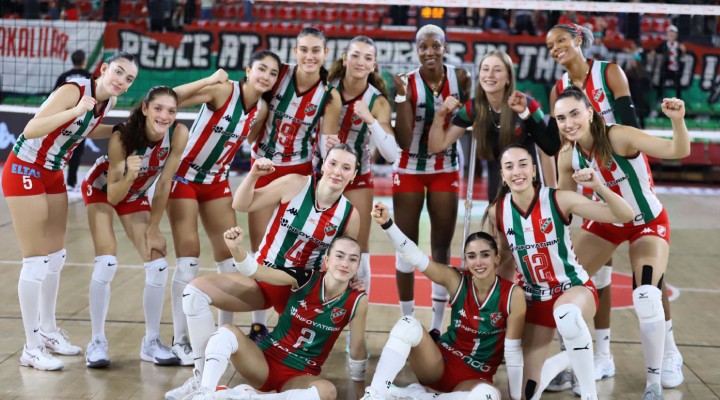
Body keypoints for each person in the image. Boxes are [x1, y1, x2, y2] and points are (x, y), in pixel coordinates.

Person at [165, 143, 360, 400]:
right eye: (333, 163)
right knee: (194, 294)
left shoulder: (349, 215)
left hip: (297, 292)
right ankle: (202, 381)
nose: (337, 171)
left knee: (295, 365)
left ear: (353, 175)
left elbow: (343, 260)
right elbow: (241, 203)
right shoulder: (295, 184)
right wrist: (254, 174)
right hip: (261, 276)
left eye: (346, 168)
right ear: (323, 164)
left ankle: (262, 388)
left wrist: (353, 283)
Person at [1, 51, 137, 371]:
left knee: (56, 257)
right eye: (118, 72)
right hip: (24, 168)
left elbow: (84, 129)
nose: (122, 81)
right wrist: (76, 109)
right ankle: (31, 347)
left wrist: (122, 130)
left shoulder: (109, 102)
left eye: (129, 78)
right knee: (35, 262)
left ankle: (48, 332)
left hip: (52, 173)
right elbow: (31, 129)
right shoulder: (73, 90)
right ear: (104, 68)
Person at [554, 87, 690, 397]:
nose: (569, 123)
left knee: (647, 294)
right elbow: (564, 208)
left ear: (590, 112)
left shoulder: (619, 136)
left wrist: (678, 120)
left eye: (574, 114)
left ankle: (658, 375)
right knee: (562, 289)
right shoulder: (567, 156)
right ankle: (581, 363)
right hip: (607, 223)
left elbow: (678, 150)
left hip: (647, 222)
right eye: (561, 118)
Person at [483, 143, 635, 400]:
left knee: (566, 314)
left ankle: (589, 394)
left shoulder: (558, 199)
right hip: (535, 299)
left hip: (573, 289)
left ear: (534, 170)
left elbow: (625, 214)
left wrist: (599, 187)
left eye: (523, 165)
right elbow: (505, 260)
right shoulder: (497, 210)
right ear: (502, 175)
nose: (517, 171)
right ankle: (565, 360)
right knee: (524, 394)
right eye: (509, 167)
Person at [546, 22, 648, 387]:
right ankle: (599, 355)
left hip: (626, 178)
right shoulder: (558, 88)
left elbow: (632, 128)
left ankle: (668, 355)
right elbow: (559, 143)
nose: (555, 48)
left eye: (561, 40)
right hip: (590, 182)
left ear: (578, 40)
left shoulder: (609, 72)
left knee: (649, 276)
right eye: (550, 44)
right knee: (592, 274)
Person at [166, 51, 281, 365]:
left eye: (273, 73)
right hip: (184, 177)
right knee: (188, 261)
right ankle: (181, 340)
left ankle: (221, 336)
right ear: (248, 69)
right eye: (261, 69)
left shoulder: (261, 109)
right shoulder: (222, 90)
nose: (266, 76)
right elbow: (170, 97)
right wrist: (208, 79)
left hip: (217, 181)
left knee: (230, 261)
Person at [362, 203, 525, 400]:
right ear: (465, 260)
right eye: (471, 256)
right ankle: (375, 394)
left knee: (488, 396)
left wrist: (517, 398)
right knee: (407, 324)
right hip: (438, 364)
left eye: (485, 255)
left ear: (497, 258)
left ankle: (416, 396)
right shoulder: (456, 280)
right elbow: (415, 257)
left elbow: (513, 352)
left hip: (474, 378)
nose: (478, 262)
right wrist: (387, 224)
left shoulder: (512, 295)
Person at [184, 229, 368, 400]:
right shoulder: (305, 278)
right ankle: (205, 393)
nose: (345, 263)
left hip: (299, 375)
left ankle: (246, 397)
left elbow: (357, 349)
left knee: (327, 391)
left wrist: (361, 394)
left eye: (352, 259)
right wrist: (236, 248)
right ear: (327, 260)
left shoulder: (357, 300)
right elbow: (255, 270)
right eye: (339, 256)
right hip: (263, 361)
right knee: (226, 332)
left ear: (358, 265)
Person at [82, 85, 189, 368]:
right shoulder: (122, 137)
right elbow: (113, 195)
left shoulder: (178, 134)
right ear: (145, 109)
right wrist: (130, 174)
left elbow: (164, 184)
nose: (164, 116)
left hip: (137, 194)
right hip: (103, 189)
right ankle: (96, 342)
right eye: (158, 109)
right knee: (106, 262)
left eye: (171, 111)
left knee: (158, 263)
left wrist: (153, 228)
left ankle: (151, 341)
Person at [248, 27, 341, 341]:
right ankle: (258, 324)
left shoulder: (329, 95)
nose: (309, 56)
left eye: (316, 50)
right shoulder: (277, 76)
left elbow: (328, 143)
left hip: (299, 173)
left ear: (325, 54)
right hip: (263, 167)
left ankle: (289, 324)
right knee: (260, 250)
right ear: (295, 51)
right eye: (304, 49)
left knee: (290, 253)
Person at [392, 24, 471, 340]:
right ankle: (407, 321)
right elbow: (403, 140)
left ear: (445, 47)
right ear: (416, 49)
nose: (429, 52)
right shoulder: (406, 82)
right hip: (409, 167)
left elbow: (467, 119)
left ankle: (438, 325)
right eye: (423, 46)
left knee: (441, 247)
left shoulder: (461, 77)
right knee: (405, 246)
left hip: (445, 167)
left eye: (435, 45)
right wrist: (401, 96)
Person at [428, 50, 560, 203]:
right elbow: (437, 146)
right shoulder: (473, 108)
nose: (489, 75)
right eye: (485, 69)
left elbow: (546, 152)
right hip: (496, 193)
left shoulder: (526, 104)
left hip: (528, 189)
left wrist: (552, 195)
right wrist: (440, 115)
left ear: (508, 77)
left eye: (497, 70)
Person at [324, 36, 397, 292]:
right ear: (345, 59)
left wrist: (371, 120)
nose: (360, 62)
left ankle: (358, 311)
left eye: (368, 58)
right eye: (355, 55)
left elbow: (391, 154)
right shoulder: (326, 89)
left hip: (358, 177)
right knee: (317, 243)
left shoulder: (377, 101)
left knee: (358, 248)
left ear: (374, 65)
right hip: (323, 173)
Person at [54, 49, 94, 192]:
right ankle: (71, 183)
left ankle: (55, 182)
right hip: (81, 120)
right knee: (76, 152)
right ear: (84, 61)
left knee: (57, 152)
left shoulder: (64, 76)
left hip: (64, 118)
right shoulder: (90, 77)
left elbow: (53, 96)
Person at [651, 25, 686, 103]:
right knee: (661, 83)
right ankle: (659, 99)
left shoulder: (679, 44)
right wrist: (653, 53)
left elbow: (683, 56)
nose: (671, 35)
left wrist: (683, 51)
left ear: (676, 35)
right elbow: (655, 51)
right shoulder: (664, 44)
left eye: (673, 33)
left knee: (678, 86)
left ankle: (679, 101)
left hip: (676, 69)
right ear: (667, 34)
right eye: (670, 33)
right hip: (666, 68)